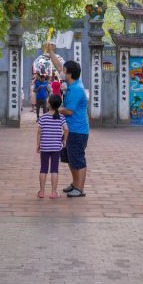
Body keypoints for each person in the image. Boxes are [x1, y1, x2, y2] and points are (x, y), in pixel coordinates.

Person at [59, 59, 89, 198]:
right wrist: (51, 53)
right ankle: (75, 183)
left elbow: (69, 111)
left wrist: (54, 108)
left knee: (78, 159)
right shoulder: (72, 84)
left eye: (64, 71)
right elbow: (59, 66)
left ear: (69, 74)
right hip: (70, 129)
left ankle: (80, 188)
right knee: (70, 158)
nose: (62, 73)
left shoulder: (76, 89)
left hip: (77, 130)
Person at [35, 93, 68, 199]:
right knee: (54, 169)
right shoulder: (61, 117)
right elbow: (66, 129)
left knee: (43, 169)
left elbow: (39, 132)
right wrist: (64, 141)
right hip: (56, 147)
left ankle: (42, 192)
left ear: (48, 104)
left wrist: (38, 145)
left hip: (44, 147)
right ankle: (54, 192)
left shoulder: (43, 118)